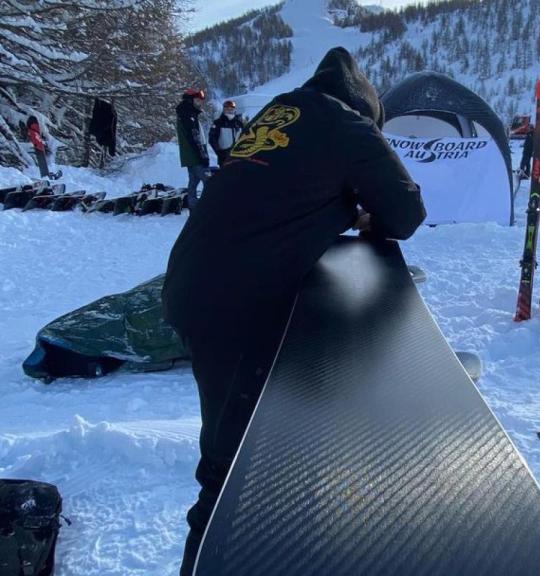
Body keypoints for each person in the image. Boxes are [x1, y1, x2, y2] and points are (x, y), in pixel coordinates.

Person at [162, 47, 426, 576]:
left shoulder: (279, 110)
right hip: (237, 304)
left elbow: (280, 191)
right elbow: (406, 211)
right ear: (367, 110)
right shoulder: (348, 124)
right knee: (228, 471)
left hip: (192, 282)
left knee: (253, 453)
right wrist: (365, 207)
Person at [176, 88, 210, 210]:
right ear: (190, 100)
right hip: (194, 155)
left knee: (193, 182)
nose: (200, 103)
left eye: (201, 101)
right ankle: (206, 208)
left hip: (191, 156)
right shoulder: (188, 115)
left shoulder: (188, 113)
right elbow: (194, 138)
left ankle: (194, 208)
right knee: (208, 180)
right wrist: (202, 156)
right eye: (197, 100)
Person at [209, 99, 245, 166]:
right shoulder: (218, 123)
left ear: (234, 110)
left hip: (238, 156)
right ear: (224, 109)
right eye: (227, 109)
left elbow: (245, 138)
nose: (229, 111)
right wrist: (219, 152)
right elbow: (212, 139)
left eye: (231, 109)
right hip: (224, 156)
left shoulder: (239, 124)